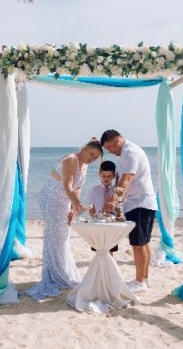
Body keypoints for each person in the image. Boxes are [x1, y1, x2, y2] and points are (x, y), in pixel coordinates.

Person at [25, 138, 103, 300]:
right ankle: (53, 275)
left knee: (63, 237)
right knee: (54, 237)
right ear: (85, 148)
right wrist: (76, 202)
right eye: (91, 154)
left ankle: (61, 272)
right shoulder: (71, 160)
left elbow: (78, 187)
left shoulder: (85, 166)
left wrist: (73, 209)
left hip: (66, 200)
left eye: (96, 158)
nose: (92, 159)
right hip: (52, 198)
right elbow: (67, 185)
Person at [100, 129, 157, 294]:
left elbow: (126, 181)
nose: (110, 151)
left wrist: (114, 201)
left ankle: (140, 282)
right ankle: (144, 279)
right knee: (144, 243)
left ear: (115, 140)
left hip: (139, 203)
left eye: (109, 147)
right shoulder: (129, 151)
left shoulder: (129, 152)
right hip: (141, 203)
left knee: (138, 245)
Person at [87, 160, 119, 255]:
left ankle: (109, 268)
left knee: (111, 250)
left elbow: (119, 205)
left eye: (109, 176)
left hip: (111, 224)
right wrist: (95, 218)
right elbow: (90, 206)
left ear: (113, 176)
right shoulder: (94, 190)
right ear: (99, 174)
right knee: (99, 250)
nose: (106, 179)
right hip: (98, 223)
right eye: (104, 176)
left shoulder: (116, 191)